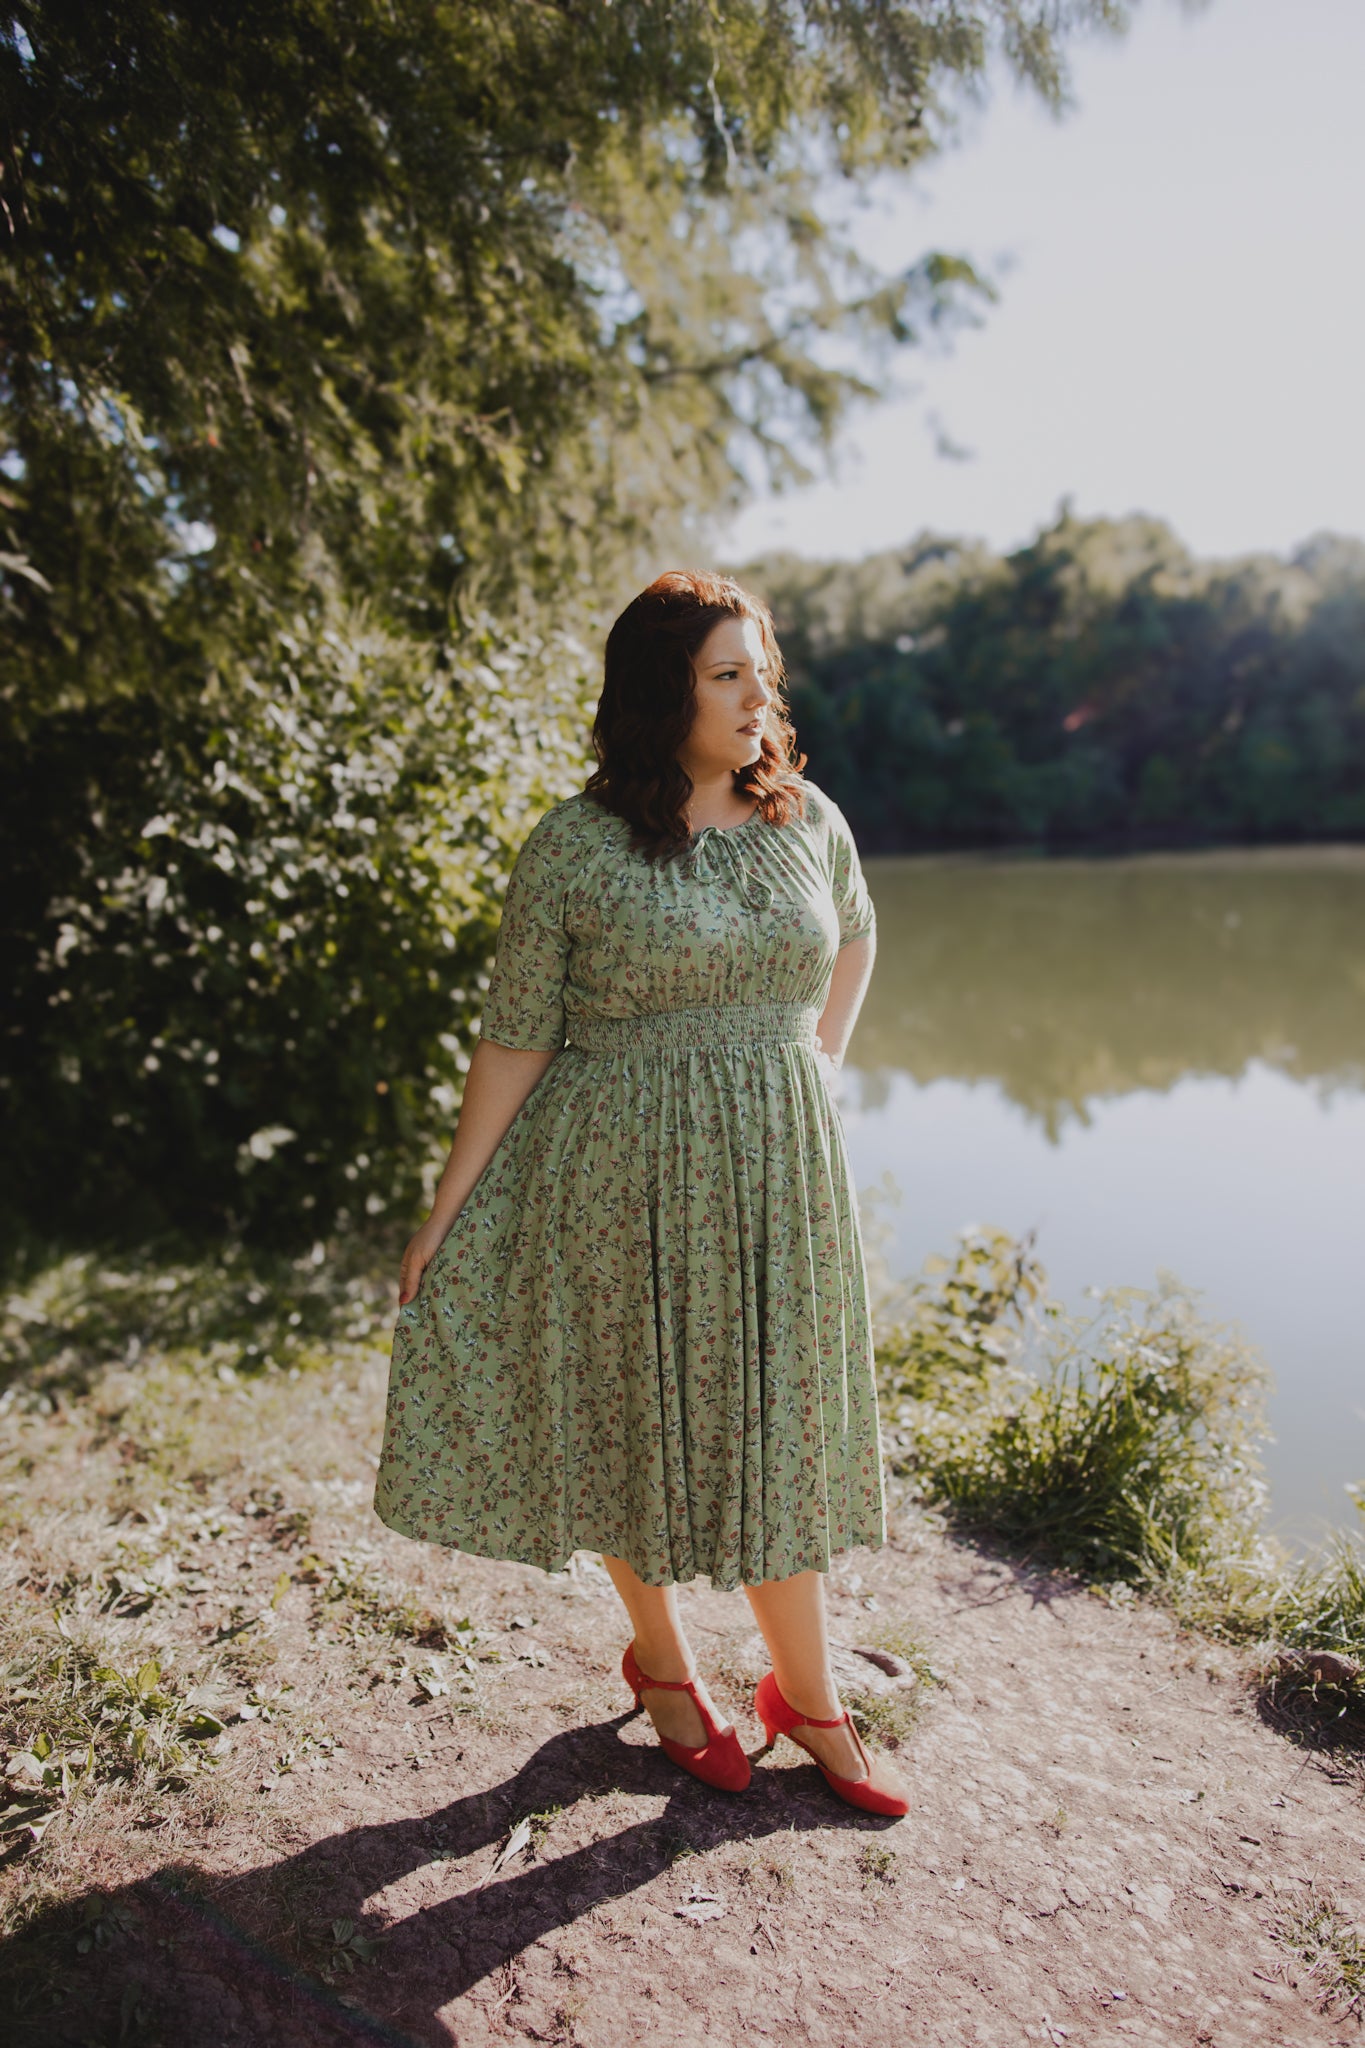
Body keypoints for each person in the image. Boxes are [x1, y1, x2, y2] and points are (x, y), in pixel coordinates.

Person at [374, 570, 908, 1817]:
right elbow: (516, 1036)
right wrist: (446, 1209)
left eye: (761, 669)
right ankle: (664, 1665)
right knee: (631, 1419)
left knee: (776, 1424)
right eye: (728, 673)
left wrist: (820, 1058)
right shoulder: (574, 844)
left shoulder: (807, 817)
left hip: (779, 1178)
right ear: (662, 690)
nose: (757, 694)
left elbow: (858, 931)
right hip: (613, 1174)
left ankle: (806, 1694)